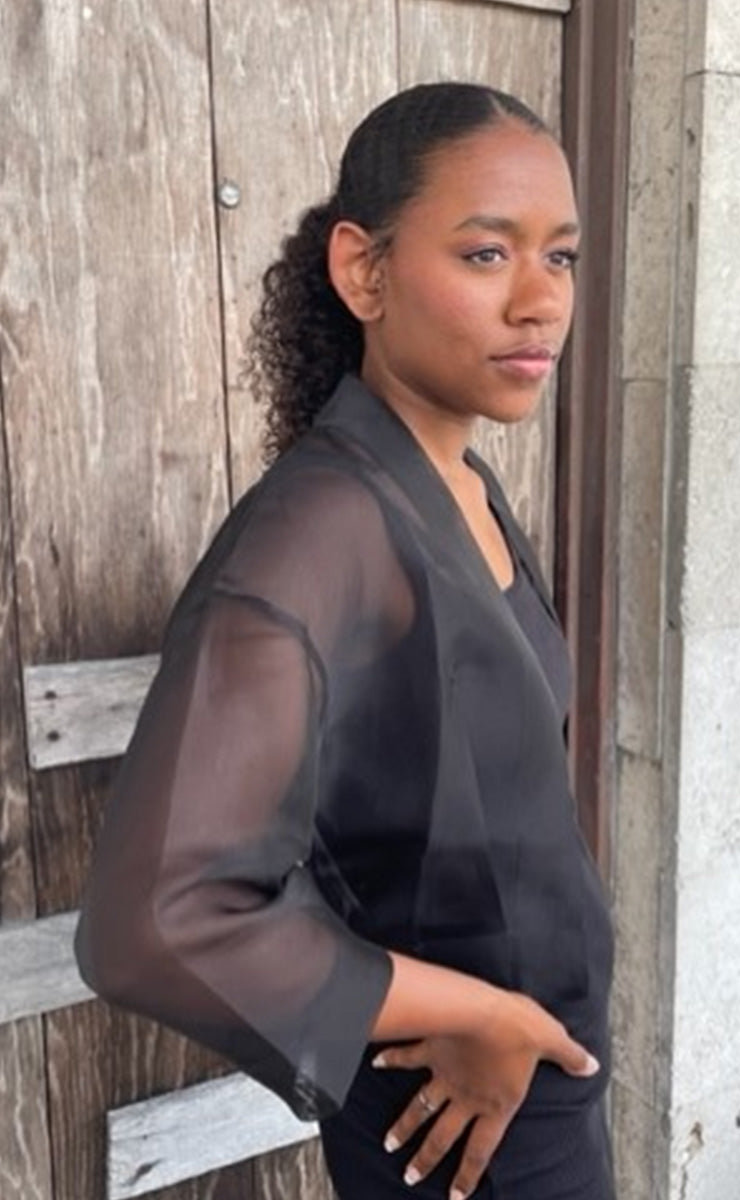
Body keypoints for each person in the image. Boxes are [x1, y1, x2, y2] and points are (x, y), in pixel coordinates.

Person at [75, 82, 615, 1200]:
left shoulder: (458, 480)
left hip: (537, 1085)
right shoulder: (320, 528)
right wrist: (478, 1011)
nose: (539, 302)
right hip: (463, 1125)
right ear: (363, 271)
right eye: (485, 254)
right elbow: (156, 921)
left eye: (559, 257)